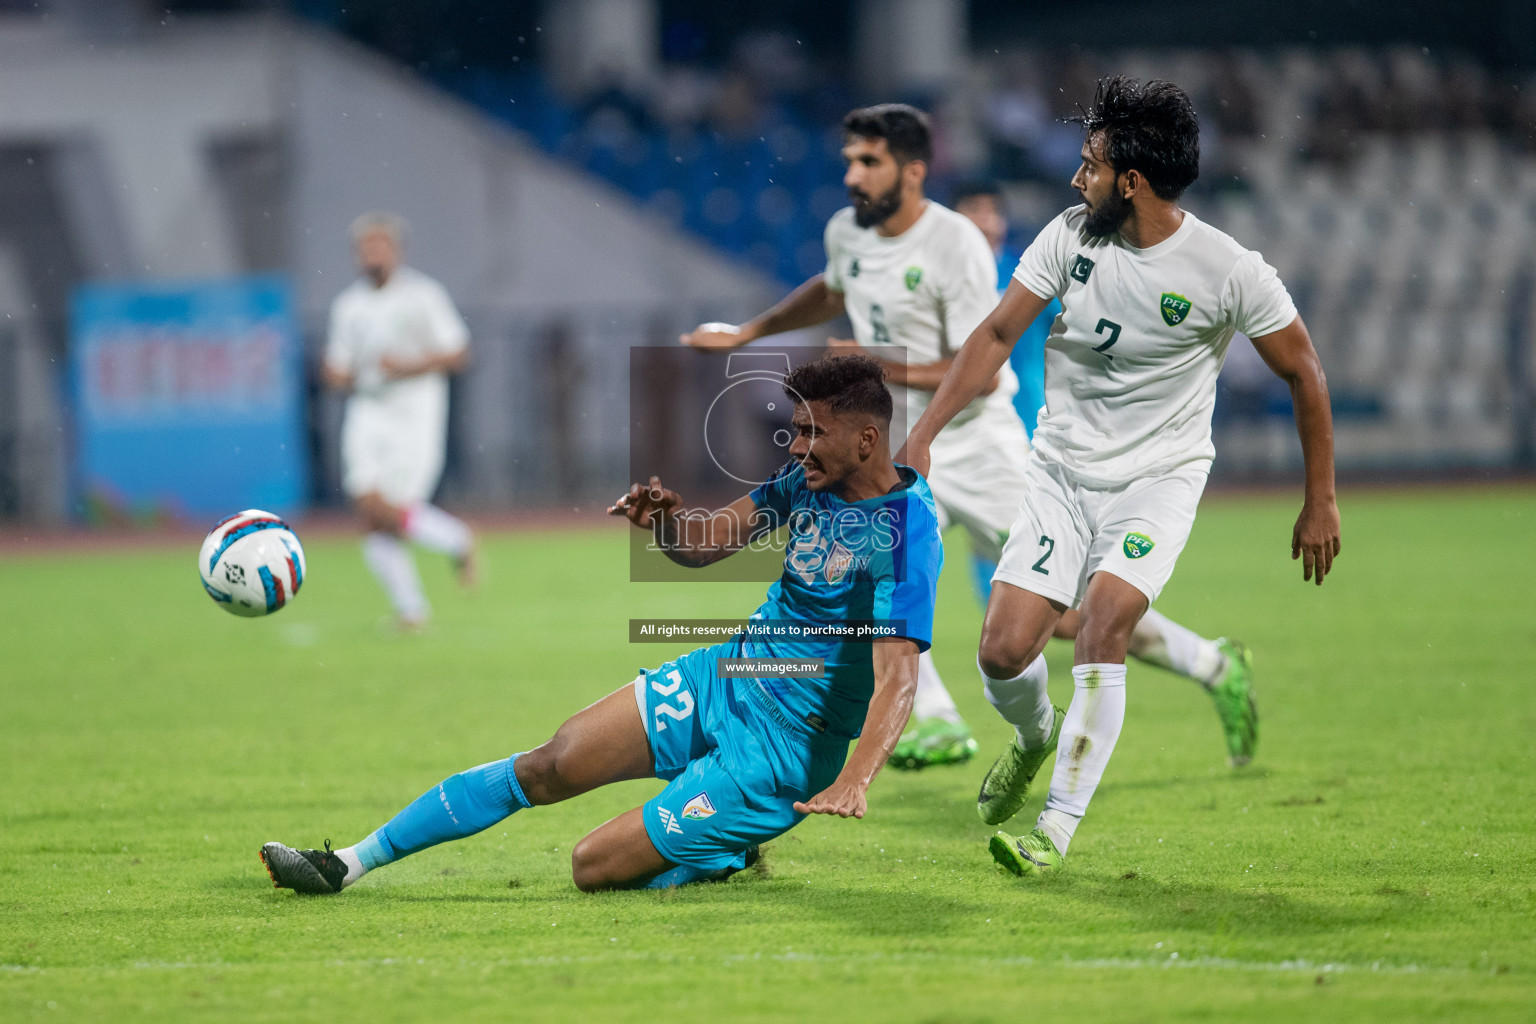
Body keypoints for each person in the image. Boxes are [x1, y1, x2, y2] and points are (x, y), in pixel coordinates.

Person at [683, 105, 1255, 776]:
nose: (852, 175)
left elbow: (980, 373)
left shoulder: (954, 246)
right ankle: (939, 720)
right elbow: (834, 286)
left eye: (868, 162)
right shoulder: (847, 232)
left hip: (978, 449)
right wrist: (750, 333)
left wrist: (876, 364)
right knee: (861, 588)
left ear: (913, 171)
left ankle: (1212, 663)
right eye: (848, 161)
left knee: (1067, 617)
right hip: (894, 453)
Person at [259, 353, 940, 894]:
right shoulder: (807, 483)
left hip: (785, 749)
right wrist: (668, 521)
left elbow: (899, 676)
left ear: (866, 439)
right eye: (796, 430)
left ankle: (721, 849)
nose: (797, 446)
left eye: (814, 432)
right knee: (553, 762)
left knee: (593, 866)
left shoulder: (904, 535)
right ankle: (347, 863)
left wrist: (856, 776)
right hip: (729, 673)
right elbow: (704, 547)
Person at [901, 77, 1340, 877]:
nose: (1078, 179)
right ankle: (1035, 739)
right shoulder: (1068, 237)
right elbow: (998, 333)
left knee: (1101, 628)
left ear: (1130, 182)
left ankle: (1053, 833)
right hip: (1060, 472)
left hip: (1158, 480)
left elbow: (1305, 373)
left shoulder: (1228, 269)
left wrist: (1321, 499)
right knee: (1001, 652)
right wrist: (924, 434)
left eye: (1090, 166)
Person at [953, 181, 1260, 768]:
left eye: (992, 215)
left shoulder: (1033, 271)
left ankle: (957, 726)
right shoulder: (954, 284)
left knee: (1066, 620)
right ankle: (1212, 664)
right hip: (988, 462)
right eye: (972, 218)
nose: (985, 227)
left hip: (1043, 457)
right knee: (1061, 621)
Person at [322, 212, 477, 630]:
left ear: (397, 251)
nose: (373, 254)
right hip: (367, 413)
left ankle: (419, 598)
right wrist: (337, 374)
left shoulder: (423, 296)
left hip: (415, 415)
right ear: (357, 255)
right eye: (366, 248)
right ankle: (437, 567)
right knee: (367, 507)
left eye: (381, 246)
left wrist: (408, 365)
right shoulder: (348, 306)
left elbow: (459, 352)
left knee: (390, 509)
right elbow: (336, 365)